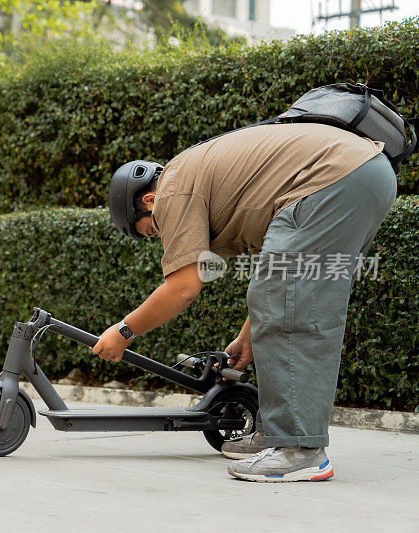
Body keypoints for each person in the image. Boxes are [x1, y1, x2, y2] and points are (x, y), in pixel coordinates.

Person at [92, 122, 397, 482]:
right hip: (364, 174)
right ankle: (277, 436)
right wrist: (247, 338)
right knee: (292, 297)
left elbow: (183, 287)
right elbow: (275, 284)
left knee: (290, 303)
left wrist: (124, 331)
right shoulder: (218, 184)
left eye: (151, 230)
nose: (160, 236)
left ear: (148, 202)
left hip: (334, 179)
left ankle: (298, 450)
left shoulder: (171, 192)